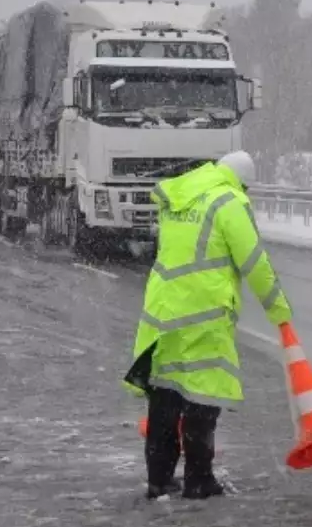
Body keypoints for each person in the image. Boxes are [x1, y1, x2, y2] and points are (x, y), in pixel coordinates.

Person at [123, 150, 292, 500]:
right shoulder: (229, 201)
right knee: (202, 397)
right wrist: (279, 310)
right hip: (204, 312)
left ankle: (158, 480)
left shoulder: (181, 194)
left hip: (164, 309)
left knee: (165, 396)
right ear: (242, 181)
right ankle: (199, 481)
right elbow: (254, 262)